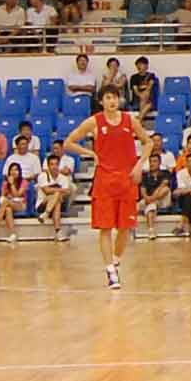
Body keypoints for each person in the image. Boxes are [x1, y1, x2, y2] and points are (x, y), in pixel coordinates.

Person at [65, 87, 151, 290]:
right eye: (108, 98)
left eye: (115, 97)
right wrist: (90, 153)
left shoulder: (130, 120)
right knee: (105, 229)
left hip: (127, 180)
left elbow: (148, 143)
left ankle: (115, 260)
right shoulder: (94, 121)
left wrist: (139, 164)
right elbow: (69, 142)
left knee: (125, 228)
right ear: (102, 101)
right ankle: (110, 271)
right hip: (104, 182)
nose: (113, 101)